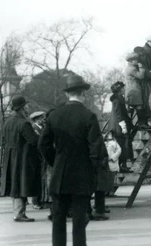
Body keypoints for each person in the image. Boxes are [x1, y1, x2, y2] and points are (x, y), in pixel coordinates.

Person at [39, 75, 107, 246]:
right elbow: (96, 149)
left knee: (58, 220)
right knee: (79, 222)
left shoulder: (54, 115)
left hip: (60, 175)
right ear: (83, 93)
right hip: (81, 175)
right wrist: (91, 168)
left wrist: (55, 161)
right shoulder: (88, 116)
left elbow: (43, 144)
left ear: (67, 93)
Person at [0, 96, 40, 222]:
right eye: (26, 106)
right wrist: (38, 135)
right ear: (22, 108)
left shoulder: (7, 123)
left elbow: (4, 140)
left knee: (15, 183)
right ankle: (19, 213)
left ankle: (18, 212)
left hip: (10, 156)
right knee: (21, 183)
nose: (28, 108)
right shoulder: (24, 123)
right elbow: (33, 140)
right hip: (22, 157)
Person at [108, 81, 134, 172]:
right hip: (118, 127)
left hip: (118, 126)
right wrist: (123, 126)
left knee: (123, 145)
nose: (124, 89)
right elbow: (119, 114)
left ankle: (123, 165)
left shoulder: (119, 99)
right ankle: (122, 166)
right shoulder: (117, 100)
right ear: (119, 90)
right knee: (122, 146)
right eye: (122, 88)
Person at [124, 52, 151, 129]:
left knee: (135, 107)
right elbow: (141, 76)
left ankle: (138, 124)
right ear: (131, 61)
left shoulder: (129, 67)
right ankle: (141, 123)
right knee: (139, 106)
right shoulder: (132, 69)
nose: (137, 61)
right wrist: (141, 68)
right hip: (134, 90)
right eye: (135, 60)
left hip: (132, 90)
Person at [29, 111, 46, 210]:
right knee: (36, 178)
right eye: (40, 118)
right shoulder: (33, 128)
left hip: (42, 157)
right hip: (37, 156)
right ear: (36, 119)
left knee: (41, 178)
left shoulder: (42, 128)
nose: (42, 119)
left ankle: (40, 200)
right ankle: (35, 201)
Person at [104, 130, 122, 196]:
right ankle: (106, 191)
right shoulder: (104, 143)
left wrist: (112, 158)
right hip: (105, 163)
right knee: (105, 178)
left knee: (111, 178)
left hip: (111, 162)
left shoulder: (114, 143)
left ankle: (111, 191)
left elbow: (119, 151)